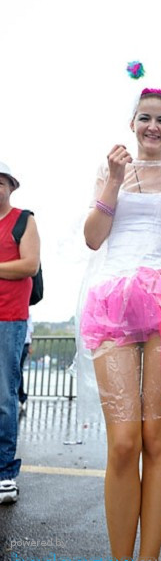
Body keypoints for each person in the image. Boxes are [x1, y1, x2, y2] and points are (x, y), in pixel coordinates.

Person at [79, 88, 161, 561]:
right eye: (146, 118)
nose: (154, 127)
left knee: (156, 440)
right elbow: (92, 236)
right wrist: (111, 181)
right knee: (123, 442)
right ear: (133, 123)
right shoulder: (111, 170)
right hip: (113, 302)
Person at [0, 162, 40, 503]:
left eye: (1, 182)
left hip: (8, 320)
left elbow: (30, 265)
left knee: (4, 398)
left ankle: (5, 474)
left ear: (12, 186)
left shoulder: (23, 219)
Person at [19, 314, 33, 411]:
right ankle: (21, 396)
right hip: (24, 344)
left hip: (23, 343)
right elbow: (30, 330)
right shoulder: (27, 313)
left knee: (17, 370)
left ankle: (20, 396)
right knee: (18, 370)